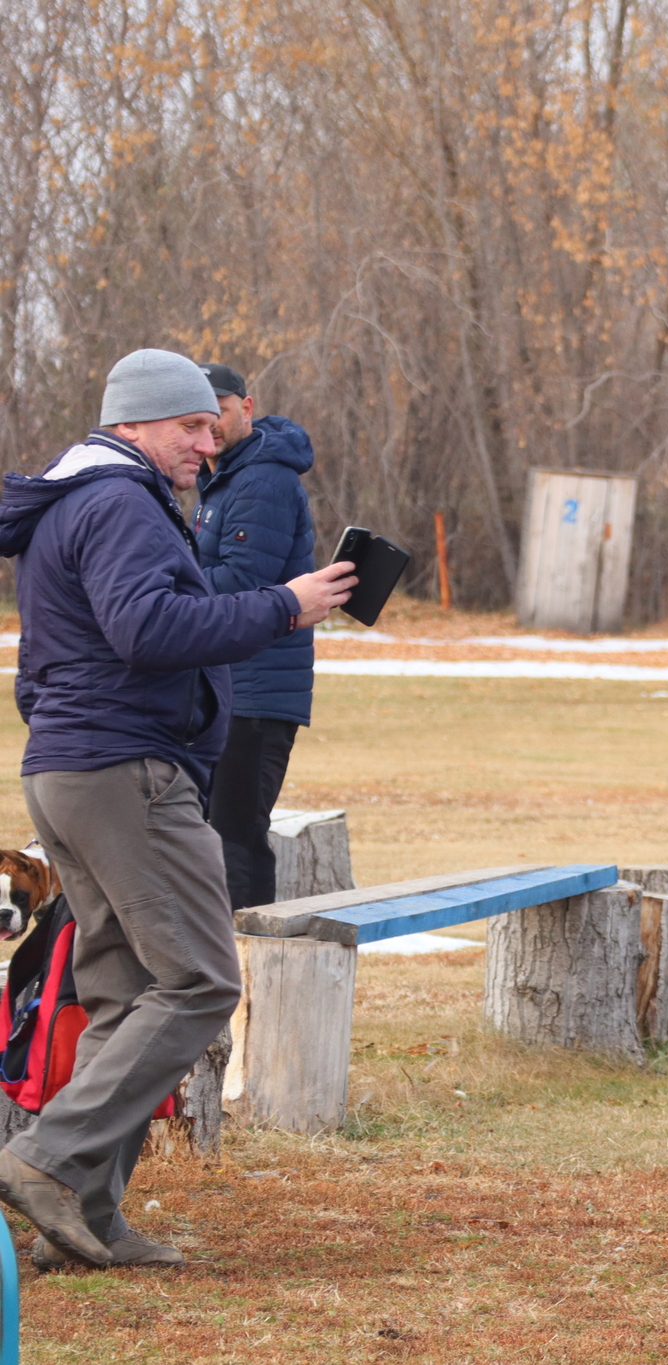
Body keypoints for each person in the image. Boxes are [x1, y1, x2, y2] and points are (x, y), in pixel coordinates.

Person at [0, 349, 354, 1268]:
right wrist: (286, 604)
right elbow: (147, 629)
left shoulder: (80, 500)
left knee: (122, 993)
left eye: (211, 423)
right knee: (202, 979)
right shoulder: (120, 502)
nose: (209, 441)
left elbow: (57, 663)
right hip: (126, 776)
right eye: (191, 426)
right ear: (137, 424)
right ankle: (45, 1160)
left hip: (76, 769)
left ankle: (85, 1217)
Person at [192, 362, 318, 908]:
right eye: (195, 418)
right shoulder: (220, 477)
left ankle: (248, 958)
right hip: (229, 682)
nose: (209, 427)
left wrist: (163, 582)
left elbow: (242, 582)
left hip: (257, 691)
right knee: (217, 832)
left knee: (236, 837)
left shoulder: (263, 477)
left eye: (218, 412)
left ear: (246, 406)